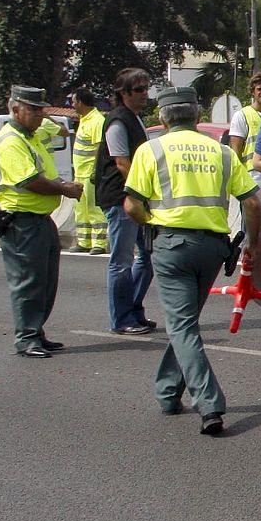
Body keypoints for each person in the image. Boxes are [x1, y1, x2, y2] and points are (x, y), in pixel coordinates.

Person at [123, 86, 260, 435]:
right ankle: (168, 392)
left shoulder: (150, 150)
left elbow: (131, 205)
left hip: (172, 246)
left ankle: (210, 405)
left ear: (162, 117)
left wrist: (151, 224)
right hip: (213, 249)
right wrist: (251, 244)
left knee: (181, 326)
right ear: (198, 116)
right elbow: (253, 202)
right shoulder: (222, 152)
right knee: (184, 323)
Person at [0, 85, 84, 358]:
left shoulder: (29, 135)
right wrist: (64, 189)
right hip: (21, 221)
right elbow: (29, 181)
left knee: (45, 281)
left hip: (39, 219)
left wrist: (61, 184)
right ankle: (27, 337)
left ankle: (36, 331)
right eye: (33, 110)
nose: (39, 115)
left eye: (41, 110)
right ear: (15, 109)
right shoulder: (11, 140)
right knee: (28, 282)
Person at [94, 67, 156, 336]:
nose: (145, 94)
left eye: (146, 88)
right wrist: (141, 192)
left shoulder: (134, 118)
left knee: (149, 255)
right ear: (123, 93)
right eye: (139, 90)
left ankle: (133, 309)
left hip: (134, 197)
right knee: (121, 261)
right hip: (121, 198)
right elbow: (122, 163)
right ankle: (121, 319)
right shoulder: (118, 121)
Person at [69, 89, 107, 253]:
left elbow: (100, 147)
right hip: (80, 174)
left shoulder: (97, 120)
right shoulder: (85, 119)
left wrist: (95, 172)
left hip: (90, 174)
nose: (72, 104)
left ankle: (99, 244)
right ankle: (84, 242)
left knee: (94, 209)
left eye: (73, 101)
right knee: (81, 210)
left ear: (81, 102)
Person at [228, 72, 261, 177]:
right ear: (253, 92)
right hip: (252, 174)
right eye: (259, 89)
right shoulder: (242, 116)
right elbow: (235, 152)